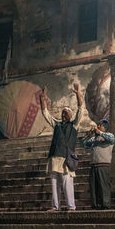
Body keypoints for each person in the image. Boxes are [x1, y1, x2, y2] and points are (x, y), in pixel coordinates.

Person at [39, 83, 83, 212]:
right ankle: (55, 206)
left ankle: (71, 206)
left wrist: (78, 94)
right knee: (54, 184)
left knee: (66, 182)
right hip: (54, 157)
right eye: (63, 112)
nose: (64, 114)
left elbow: (80, 109)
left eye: (67, 112)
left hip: (66, 158)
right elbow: (45, 113)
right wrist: (42, 99)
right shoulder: (57, 125)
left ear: (70, 115)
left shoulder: (74, 125)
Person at [83, 119, 115, 210]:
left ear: (105, 127)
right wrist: (88, 136)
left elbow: (112, 139)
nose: (97, 127)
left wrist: (100, 133)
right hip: (93, 165)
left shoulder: (109, 136)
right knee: (94, 187)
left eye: (99, 126)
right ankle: (95, 204)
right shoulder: (94, 139)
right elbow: (84, 144)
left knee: (104, 186)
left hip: (103, 165)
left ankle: (105, 205)